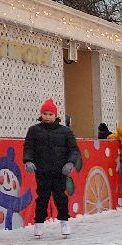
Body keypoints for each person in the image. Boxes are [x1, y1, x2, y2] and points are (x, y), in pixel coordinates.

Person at [22, 98, 80, 237]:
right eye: (45, 114)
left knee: (60, 197)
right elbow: (28, 147)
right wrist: (28, 160)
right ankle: (39, 224)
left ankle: (64, 222)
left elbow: (74, 149)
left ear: (56, 116)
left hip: (60, 170)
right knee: (42, 197)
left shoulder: (65, 131)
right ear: (41, 115)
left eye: (50, 114)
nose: (47, 117)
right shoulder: (34, 130)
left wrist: (70, 163)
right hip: (42, 170)